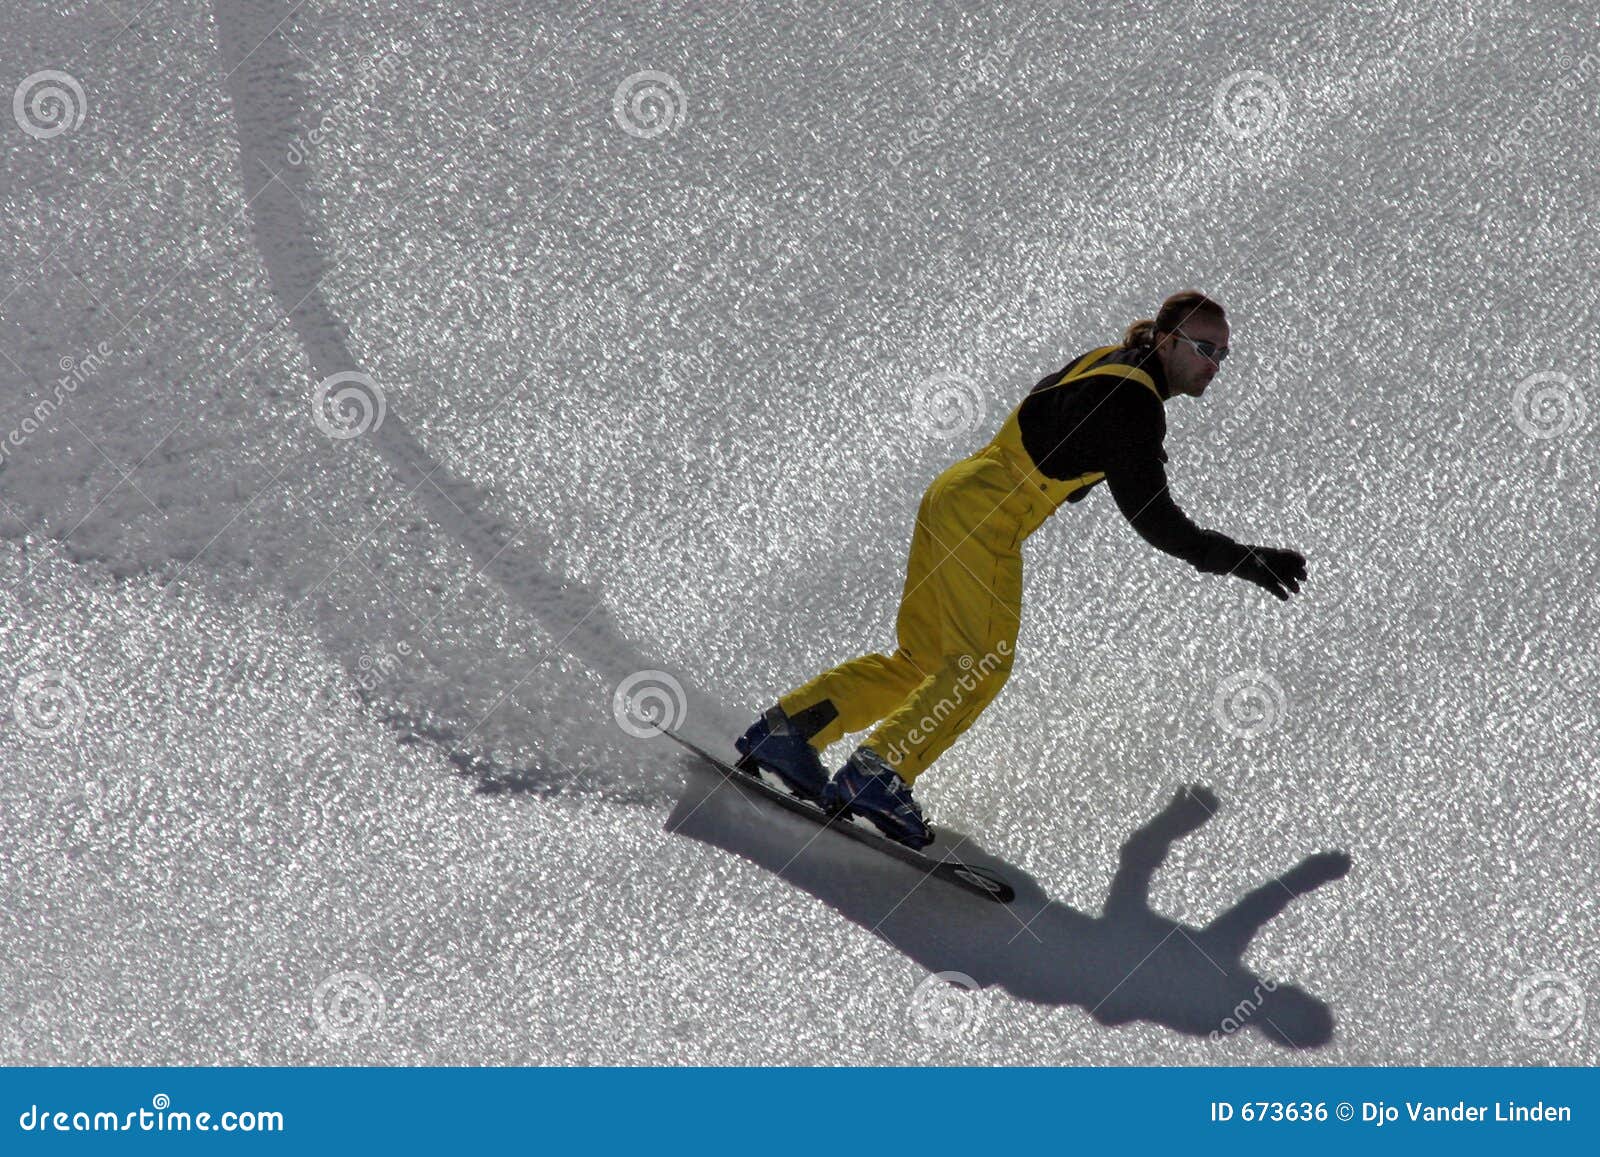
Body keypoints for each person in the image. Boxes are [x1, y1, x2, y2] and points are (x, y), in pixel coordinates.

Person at [735, 290, 1307, 848]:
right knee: (980, 662)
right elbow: (1157, 521)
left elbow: (1055, 423)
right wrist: (1243, 559)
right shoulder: (1132, 403)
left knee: (925, 663)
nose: (1214, 363)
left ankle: (789, 732)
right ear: (1165, 340)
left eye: (1222, 353)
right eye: (1203, 347)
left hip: (953, 496)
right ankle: (877, 773)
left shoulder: (1111, 365)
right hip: (985, 519)